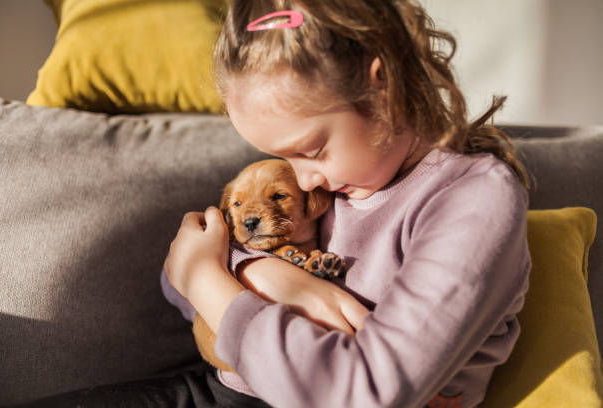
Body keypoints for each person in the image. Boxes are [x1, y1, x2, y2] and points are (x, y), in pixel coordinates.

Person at [163, 1, 532, 407]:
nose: (304, 181)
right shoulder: (340, 181)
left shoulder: (471, 199)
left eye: (314, 149)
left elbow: (363, 393)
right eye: (286, 159)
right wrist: (269, 276)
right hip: (228, 388)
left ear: (383, 86)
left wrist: (204, 281)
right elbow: (175, 276)